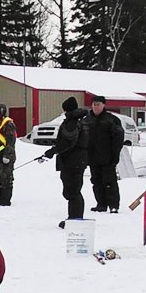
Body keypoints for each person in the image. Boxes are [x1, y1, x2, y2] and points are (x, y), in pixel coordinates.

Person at [43, 96, 90, 227]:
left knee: (72, 190)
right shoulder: (82, 121)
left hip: (72, 160)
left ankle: (75, 220)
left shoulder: (72, 122)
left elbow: (67, 142)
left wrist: (53, 151)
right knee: (73, 190)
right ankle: (75, 218)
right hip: (78, 159)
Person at [86, 95, 124, 213]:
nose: (95, 107)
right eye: (93, 104)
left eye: (97, 104)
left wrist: (115, 154)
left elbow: (118, 138)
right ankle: (101, 203)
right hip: (92, 157)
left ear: (103, 105)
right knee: (96, 181)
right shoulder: (87, 120)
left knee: (109, 181)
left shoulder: (111, 120)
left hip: (108, 157)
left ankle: (113, 205)